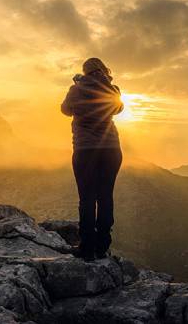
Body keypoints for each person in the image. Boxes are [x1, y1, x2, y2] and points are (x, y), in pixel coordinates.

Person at [61, 57, 124, 261]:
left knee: (87, 199)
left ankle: (87, 249)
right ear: (103, 70)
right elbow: (118, 108)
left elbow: (65, 110)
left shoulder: (76, 89)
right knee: (105, 197)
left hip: (86, 150)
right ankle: (102, 247)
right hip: (111, 150)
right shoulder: (112, 89)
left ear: (85, 72)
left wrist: (79, 86)